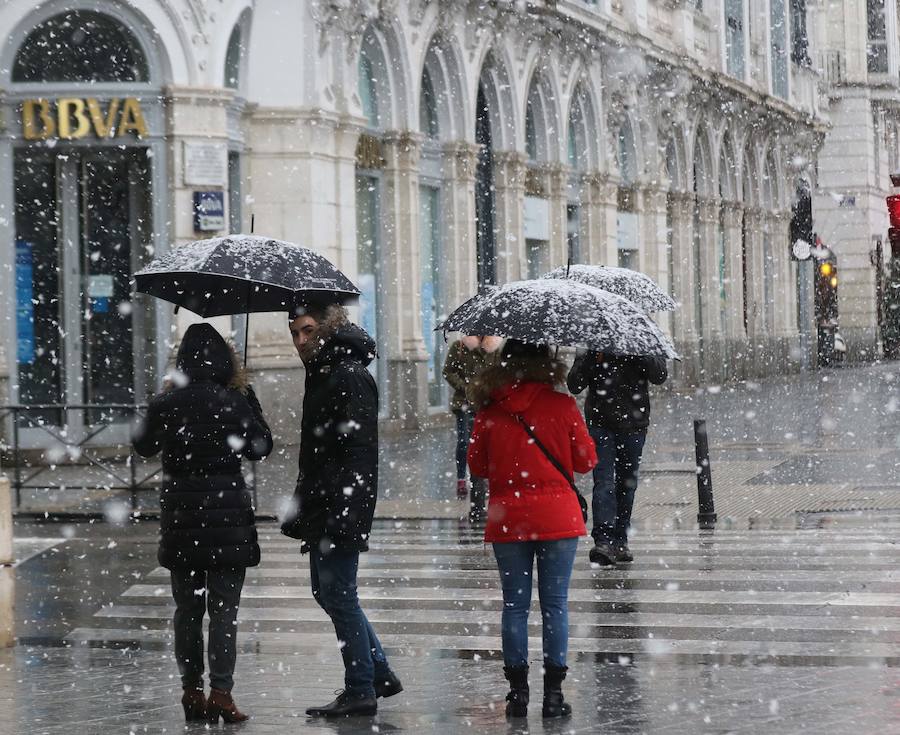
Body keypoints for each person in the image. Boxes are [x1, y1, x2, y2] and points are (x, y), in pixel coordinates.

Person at [132, 322, 273, 724]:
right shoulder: (233, 401)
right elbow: (261, 448)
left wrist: (162, 401)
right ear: (225, 361)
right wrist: (250, 402)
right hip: (227, 518)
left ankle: (191, 690)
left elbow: (142, 445)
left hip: (181, 519)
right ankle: (222, 694)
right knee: (224, 610)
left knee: (188, 610)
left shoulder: (169, 402)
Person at [281, 302, 402, 718]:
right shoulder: (325, 371)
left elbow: (359, 453)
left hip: (339, 505)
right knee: (328, 592)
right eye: (295, 332)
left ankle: (361, 687)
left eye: (307, 330)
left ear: (326, 329)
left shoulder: (346, 375)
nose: (300, 340)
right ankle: (378, 672)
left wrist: (344, 513)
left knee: (338, 594)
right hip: (326, 502)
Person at [467, 339, 597, 719]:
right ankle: (554, 695)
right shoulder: (562, 405)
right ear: (547, 363)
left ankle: (517, 695)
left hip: (509, 519)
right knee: (555, 604)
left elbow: (476, 466)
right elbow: (587, 460)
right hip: (558, 518)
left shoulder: (490, 410)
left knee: (514, 606)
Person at [566, 351, 667, 567]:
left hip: (634, 424)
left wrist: (640, 355)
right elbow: (574, 384)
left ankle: (620, 539)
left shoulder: (641, 340)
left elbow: (659, 375)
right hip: (600, 424)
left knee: (627, 485)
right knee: (603, 482)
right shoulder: (593, 342)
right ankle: (603, 541)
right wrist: (592, 358)